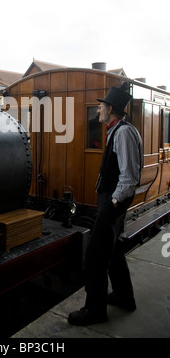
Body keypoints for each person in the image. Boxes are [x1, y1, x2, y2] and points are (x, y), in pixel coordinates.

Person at [68, 85, 143, 326]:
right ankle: (123, 296)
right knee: (114, 249)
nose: (98, 108)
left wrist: (113, 200)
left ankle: (95, 311)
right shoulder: (116, 130)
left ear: (110, 109)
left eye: (101, 106)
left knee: (96, 255)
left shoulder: (122, 133)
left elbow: (129, 176)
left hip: (114, 200)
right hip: (112, 198)